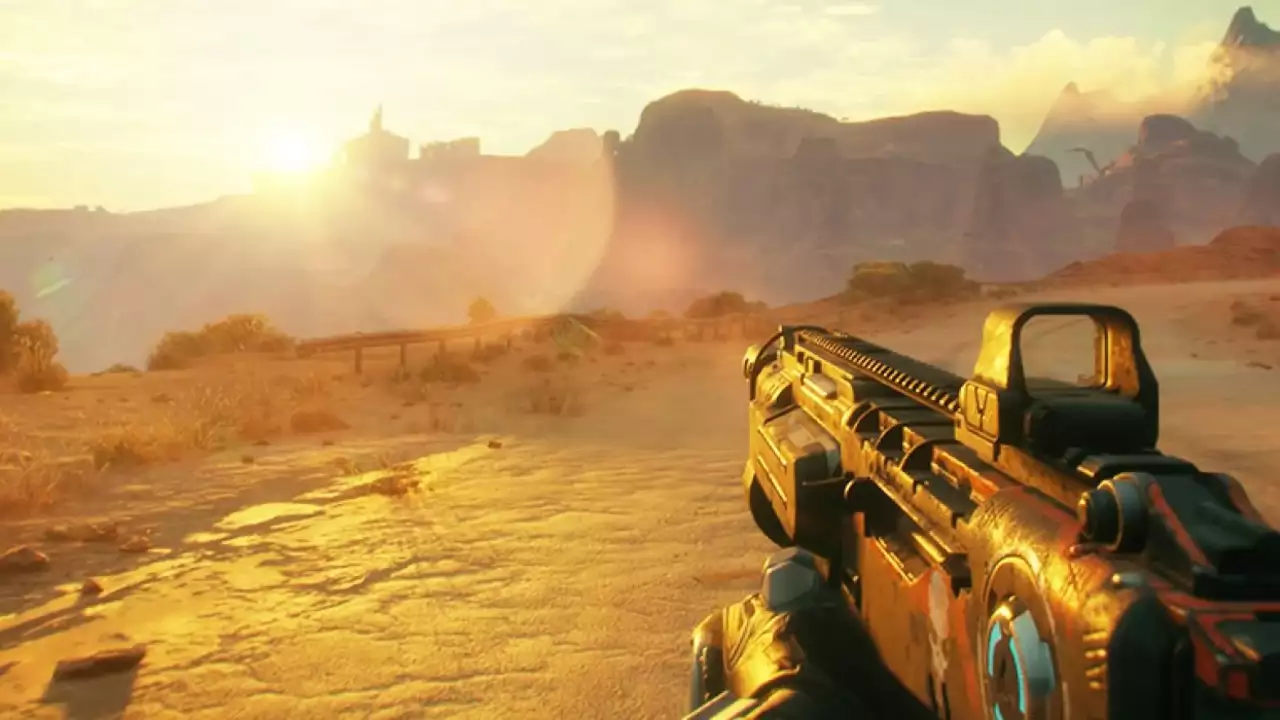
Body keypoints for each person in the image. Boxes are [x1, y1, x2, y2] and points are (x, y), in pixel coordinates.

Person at [685, 549, 934, 720]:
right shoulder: (836, 627)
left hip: (795, 700)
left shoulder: (728, 622)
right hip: (814, 701)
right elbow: (890, 696)